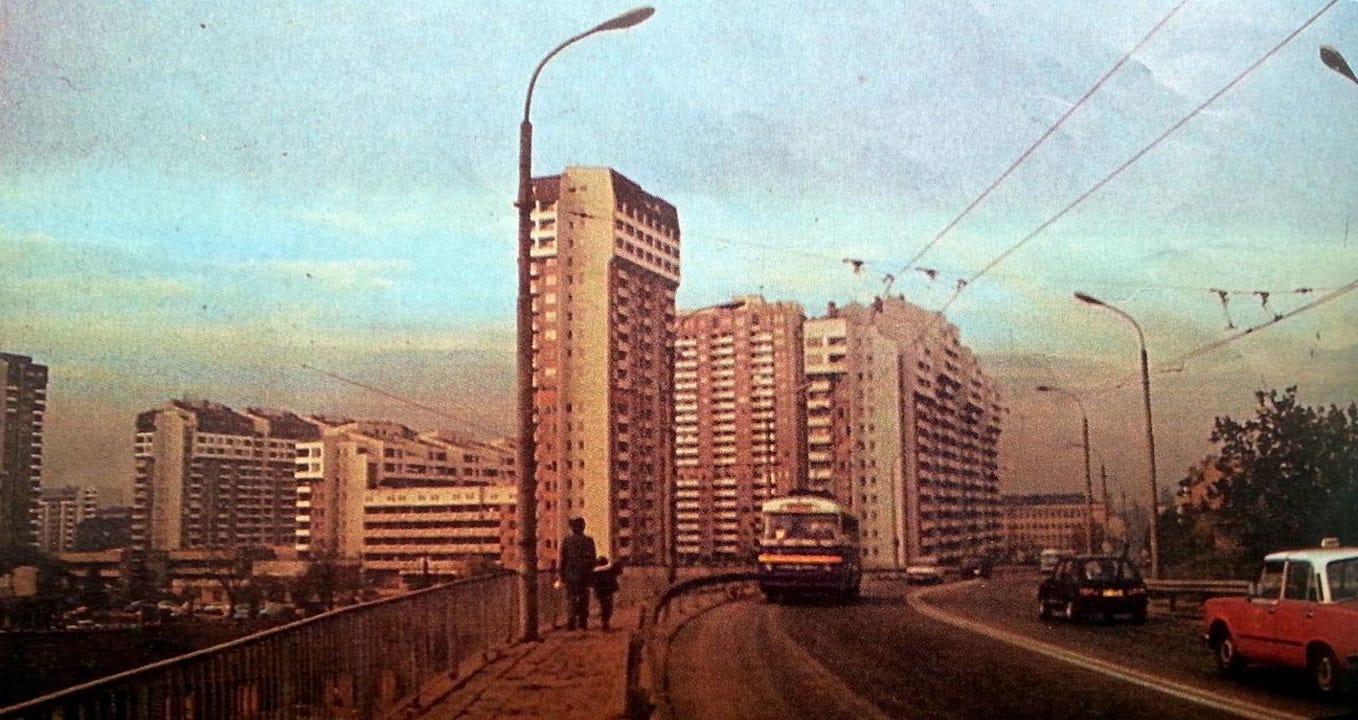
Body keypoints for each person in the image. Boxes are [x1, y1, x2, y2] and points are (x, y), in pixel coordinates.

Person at [558, 517, 597, 630]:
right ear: (583, 527)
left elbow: (563, 560)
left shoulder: (567, 541)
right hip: (584, 576)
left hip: (570, 576)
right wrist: (591, 574)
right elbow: (593, 559)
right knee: (584, 599)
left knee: (571, 599)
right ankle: (583, 622)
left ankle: (571, 622)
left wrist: (562, 575)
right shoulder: (589, 541)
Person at [591, 556, 624, 630]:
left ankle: (604, 620)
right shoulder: (611, 563)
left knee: (603, 603)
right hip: (608, 586)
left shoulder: (595, 568)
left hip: (600, 586)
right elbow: (618, 571)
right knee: (608, 604)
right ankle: (605, 621)